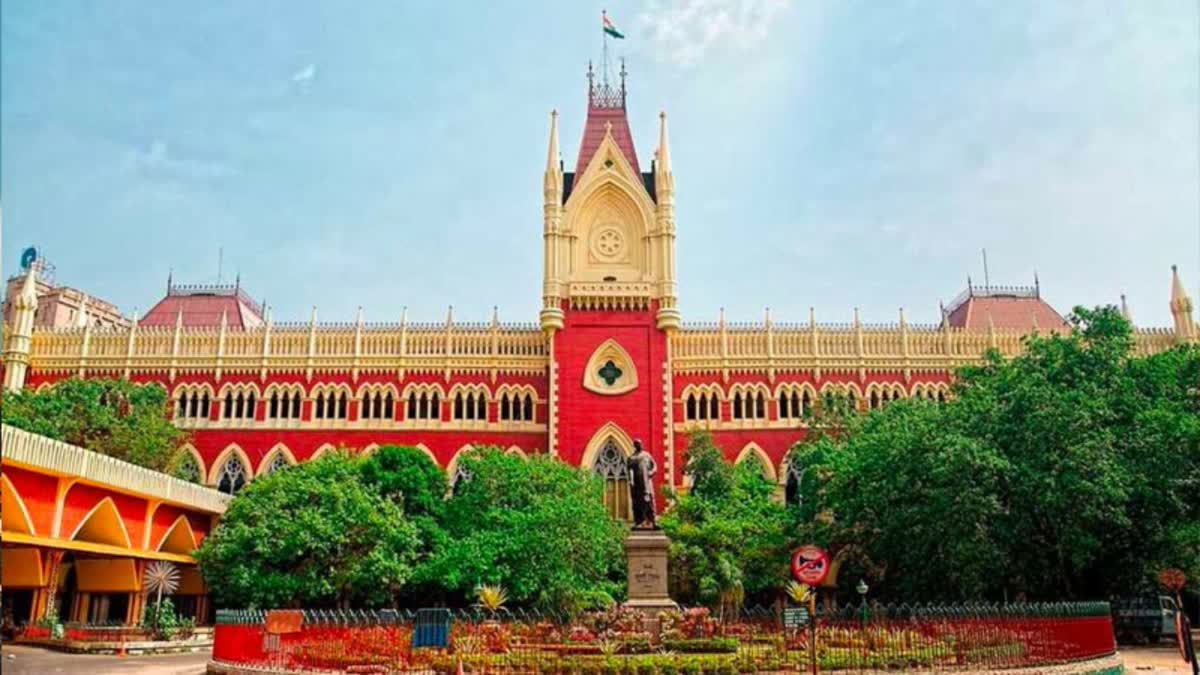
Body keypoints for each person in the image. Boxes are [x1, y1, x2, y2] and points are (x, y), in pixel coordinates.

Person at [627, 439, 657, 528]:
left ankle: (653, 521)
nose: (639, 445)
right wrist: (631, 481)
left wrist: (651, 472)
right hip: (637, 484)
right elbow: (630, 470)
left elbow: (654, 466)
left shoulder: (647, 455)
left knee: (650, 500)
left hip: (647, 482)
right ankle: (639, 521)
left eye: (640, 444)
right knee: (638, 502)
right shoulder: (631, 458)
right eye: (637, 444)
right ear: (634, 446)